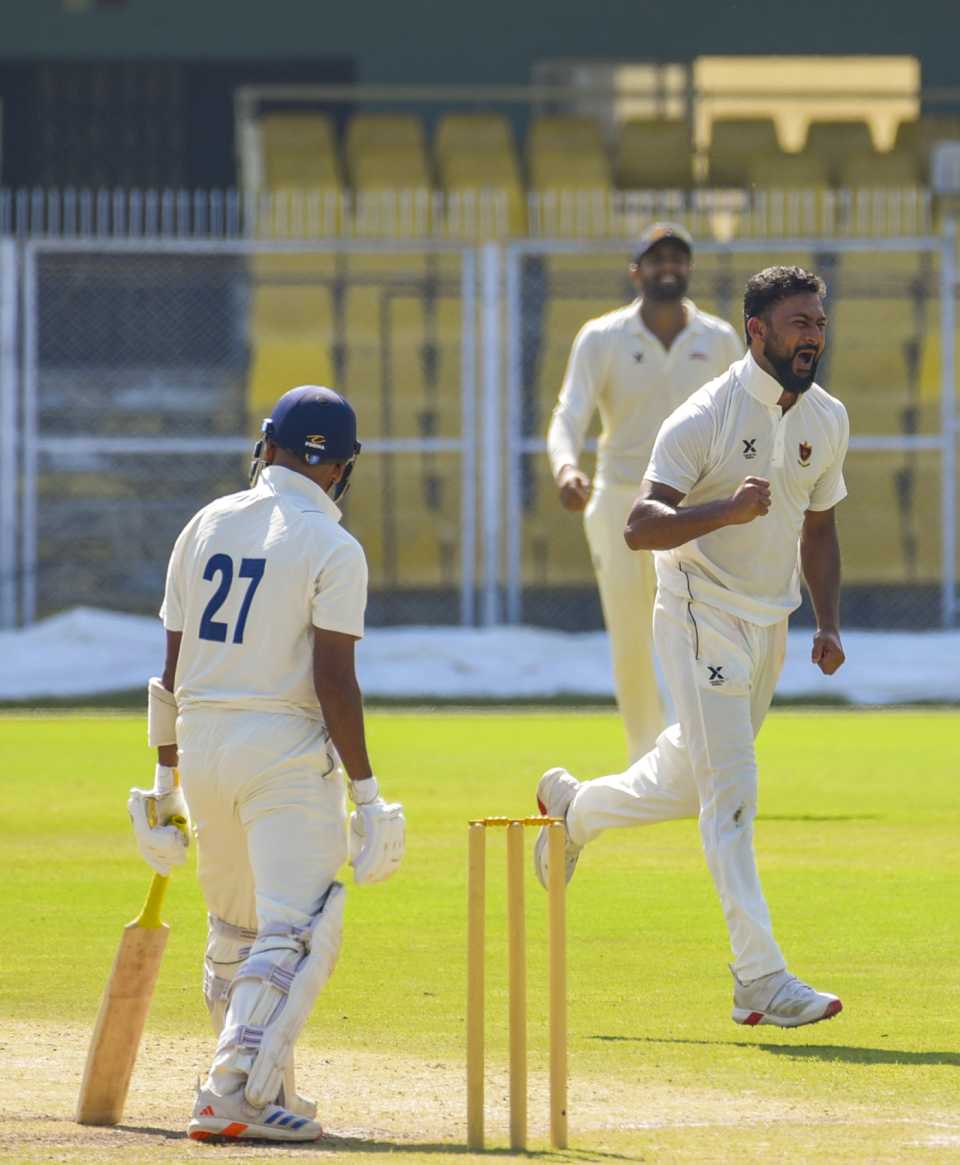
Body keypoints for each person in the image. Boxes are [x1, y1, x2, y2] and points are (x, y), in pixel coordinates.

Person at [535, 267, 848, 1028]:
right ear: (757, 331)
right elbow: (639, 526)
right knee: (731, 792)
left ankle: (574, 811)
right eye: (799, 323)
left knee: (684, 781)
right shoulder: (707, 414)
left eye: (818, 321)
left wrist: (827, 622)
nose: (813, 334)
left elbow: (819, 526)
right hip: (697, 607)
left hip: (768, 622)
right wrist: (725, 512)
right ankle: (759, 977)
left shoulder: (827, 417)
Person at [128, 385, 405, 1141]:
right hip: (281, 748)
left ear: (269, 447)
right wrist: (368, 795)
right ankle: (229, 1092)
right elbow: (334, 682)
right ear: (341, 467)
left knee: (236, 929)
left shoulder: (206, 522)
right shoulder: (334, 547)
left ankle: (265, 1082)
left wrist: (164, 784)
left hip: (203, 742)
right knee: (298, 927)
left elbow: (169, 672)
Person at [547, 223, 742, 762]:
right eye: (656, 260)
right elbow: (569, 414)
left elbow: (740, 417)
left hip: (696, 503)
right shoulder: (603, 337)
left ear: (690, 268)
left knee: (698, 631)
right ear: (636, 272)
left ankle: (695, 753)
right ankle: (643, 761)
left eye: (677, 259)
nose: (668, 269)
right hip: (621, 500)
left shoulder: (719, 339)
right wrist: (566, 468)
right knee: (631, 635)